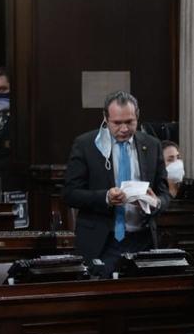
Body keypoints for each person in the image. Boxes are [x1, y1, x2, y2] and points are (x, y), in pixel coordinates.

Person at [62, 90, 169, 276]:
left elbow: (165, 193)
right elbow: (70, 193)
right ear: (105, 118)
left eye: (129, 122)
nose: (124, 129)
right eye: (117, 123)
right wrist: (105, 197)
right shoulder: (86, 145)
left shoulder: (152, 145)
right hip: (103, 241)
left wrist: (156, 202)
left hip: (142, 241)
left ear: (137, 116)